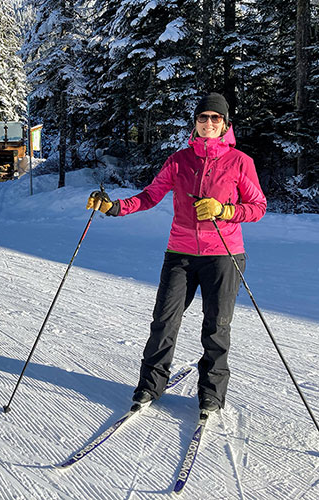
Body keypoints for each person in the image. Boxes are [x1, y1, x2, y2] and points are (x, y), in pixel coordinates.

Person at [86, 92, 266, 413]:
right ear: (195, 124)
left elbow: (257, 207)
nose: (208, 123)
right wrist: (114, 207)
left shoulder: (240, 162)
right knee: (164, 321)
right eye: (203, 118)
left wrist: (223, 210)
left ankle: (211, 393)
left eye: (215, 118)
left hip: (223, 255)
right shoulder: (179, 160)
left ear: (225, 124)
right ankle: (150, 385)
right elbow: (150, 195)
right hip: (180, 253)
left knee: (216, 326)